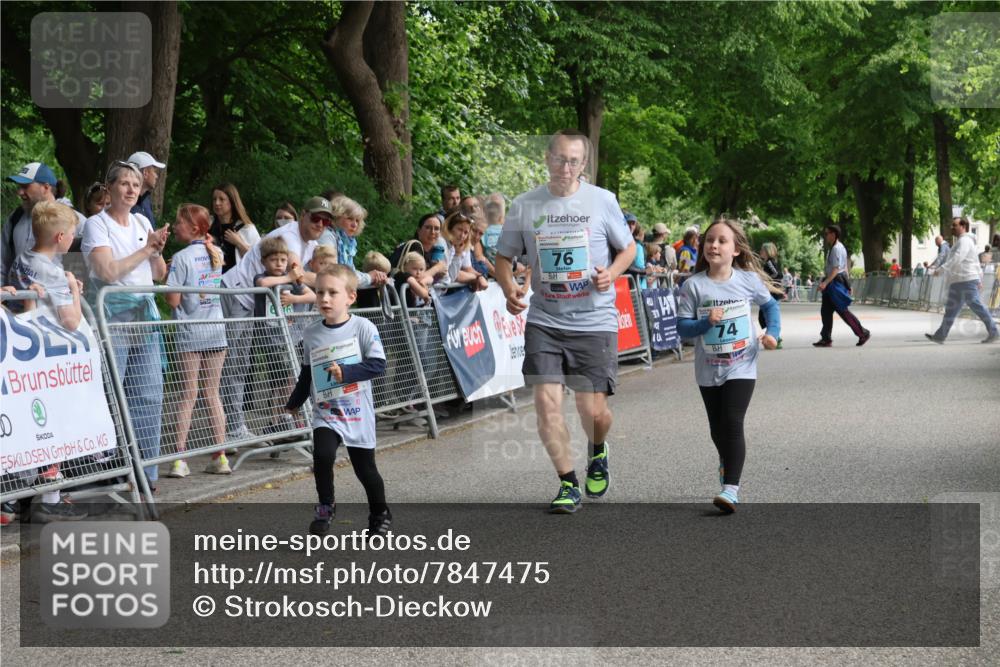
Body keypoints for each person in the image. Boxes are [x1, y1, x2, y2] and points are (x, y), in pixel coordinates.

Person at [495, 129, 636, 513]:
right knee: (546, 403)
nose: (565, 167)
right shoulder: (525, 205)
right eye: (559, 158)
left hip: (594, 320)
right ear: (547, 158)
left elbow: (629, 248)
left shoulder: (602, 201)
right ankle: (567, 483)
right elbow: (504, 258)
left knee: (593, 413)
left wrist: (612, 272)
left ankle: (597, 448)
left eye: (573, 160)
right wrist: (510, 288)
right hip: (545, 319)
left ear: (583, 164)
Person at [676, 219, 781, 513]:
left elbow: (771, 306)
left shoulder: (747, 281)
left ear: (736, 250)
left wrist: (772, 332)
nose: (714, 245)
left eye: (722, 241)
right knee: (717, 429)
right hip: (708, 368)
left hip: (742, 364)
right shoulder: (693, 285)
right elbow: (682, 329)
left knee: (733, 422)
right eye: (710, 240)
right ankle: (727, 459)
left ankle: (730, 489)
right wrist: (704, 322)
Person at [283, 265, 391, 536]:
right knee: (322, 456)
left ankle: (380, 514)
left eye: (332, 292)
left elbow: (378, 366)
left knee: (366, 471)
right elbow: (307, 373)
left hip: (357, 412)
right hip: (326, 411)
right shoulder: (311, 333)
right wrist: (295, 402)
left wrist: (347, 372)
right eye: (319, 292)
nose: (324, 299)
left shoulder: (363, 327)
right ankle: (325, 507)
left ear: (350, 297)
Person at [82, 160, 170, 490]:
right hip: (112, 319)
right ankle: (113, 467)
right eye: (124, 183)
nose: (131, 189)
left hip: (143, 319)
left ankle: (146, 471)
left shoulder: (142, 221)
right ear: (110, 188)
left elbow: (159, 273)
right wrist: (146, 248)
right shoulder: (96, 224)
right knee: (111, 393)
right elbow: (106, 271)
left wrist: (156, 251)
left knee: (149, 394)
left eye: (135, 184)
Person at [219, 195, 330, 441]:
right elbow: (297, 275)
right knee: (237, 364)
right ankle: (233, 429)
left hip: (263, 305)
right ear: (303, 215)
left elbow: (304, 281)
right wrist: (335, 282)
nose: (320, 224)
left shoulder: (311, 244)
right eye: (316, 218)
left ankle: (283, 422)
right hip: (240, 296)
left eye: (326, 221)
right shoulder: (290, 237)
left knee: (282, 365)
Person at [5, 201, 89, 521]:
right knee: (53, 426)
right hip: (47, 359)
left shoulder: (24, 258)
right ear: (60, 238)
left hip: (24, 356)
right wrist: (73, 289)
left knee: (31, 425)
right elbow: (71, 320)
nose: (73, 240)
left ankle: (21, 498)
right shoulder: (52, 271)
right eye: (71, 235)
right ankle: (48, 500)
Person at [163, 204, 230, 477]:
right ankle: (221, 456)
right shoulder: (216, 252)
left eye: (178, 222)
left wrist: (170, 276)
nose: (175, 226)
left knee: (188, 394)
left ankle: (179, 459)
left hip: (191, 331)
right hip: (216, 330)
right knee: (212, 393)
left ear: (193, 228)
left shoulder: (181, 258)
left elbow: (173, 299)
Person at [3, 162, 85, 283]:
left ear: (46, 187)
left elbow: (92, 263)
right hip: (17, 298)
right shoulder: (15, 218)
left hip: (57, 298)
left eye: (25, 186)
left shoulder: (75, 220)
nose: (19, 192)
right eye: (19, 186)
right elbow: (3, 262)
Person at [925, 217, 999, 344]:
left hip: (966, 280)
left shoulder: (965, 241)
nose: (952, 227)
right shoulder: (962, 241)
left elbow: (958, 258)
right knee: (952, 309)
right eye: (952, 225)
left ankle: (994, 332)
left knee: (977, 306)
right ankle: (940, 336)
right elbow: (975, 262)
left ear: (963, 226)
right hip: (960, 280)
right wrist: (979, 278)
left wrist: (940, 270)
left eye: (954, 225)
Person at [813, 225, 870, 347]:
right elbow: (845, 268)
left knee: (843, 312)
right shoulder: (836, 248)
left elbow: (836, 269)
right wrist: (848, 285)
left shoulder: (837, 249)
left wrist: (825, 283)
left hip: (834, 284)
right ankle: (826, 338)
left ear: (834, 234)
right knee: (826, 312)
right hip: (834, 284)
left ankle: (862, 333)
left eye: (827, 233)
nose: (826, 236)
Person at [209, 183, 260, 273]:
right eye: (214, 199)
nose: (217, 203)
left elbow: (258, 259)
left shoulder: (246, 228)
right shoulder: (208, 226)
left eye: (222, 199)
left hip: (236, 283)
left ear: (232, 201)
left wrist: (239, 243)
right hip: (210, 281)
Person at [388, 213, 448, 285]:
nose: (432, 232)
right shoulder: (414, 247)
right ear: (419, 231)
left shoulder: (433, 251)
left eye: (436, 229)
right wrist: (437, 268)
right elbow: (418, 279)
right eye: (428, 227)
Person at [127, 151, 166, 227]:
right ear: (145, 173)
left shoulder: (146, 200)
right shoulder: (124, 203)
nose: (156, 176)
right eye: (154, 171)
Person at [758, 242, 785, 345]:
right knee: (767, 315)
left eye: (762, 250)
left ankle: (774, 337)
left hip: (772, 292)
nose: (760, 252)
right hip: (771, 291)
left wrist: (766, 279)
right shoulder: (770, 262)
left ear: (767, 252)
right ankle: (773, 336)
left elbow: (778, 274)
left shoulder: (769, 262)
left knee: (769, 315)